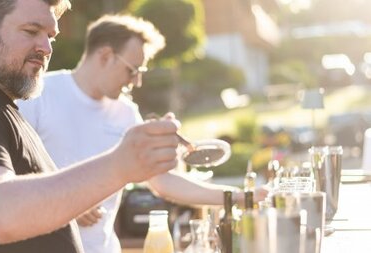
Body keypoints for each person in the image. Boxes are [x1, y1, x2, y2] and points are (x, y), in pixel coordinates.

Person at [18, 13, 268, 253]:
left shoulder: (126, 113)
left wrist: (237, 196)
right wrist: (64, 200)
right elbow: (10, 176)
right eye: (132, 70)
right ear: (105, 56)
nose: (136, 82)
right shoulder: (40, 94)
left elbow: (163, 182)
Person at [0, 1, 181, 252]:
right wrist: (119, 165)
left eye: (50, 37)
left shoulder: (7, 109)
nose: (46, 48)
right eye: (30, 31)